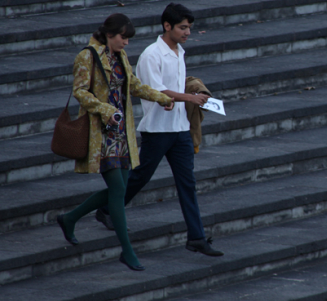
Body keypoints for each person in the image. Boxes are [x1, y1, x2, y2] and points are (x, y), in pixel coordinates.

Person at [95, 3, 223, 257]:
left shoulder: (179, 52)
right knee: (139, 177)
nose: (187, 32)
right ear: (167, 26)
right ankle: (107, 209)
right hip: (158, 130)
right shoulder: (151, 54)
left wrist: (192, 94)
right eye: (183, 27)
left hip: (180, 130)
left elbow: (174, 85)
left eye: (189, 28)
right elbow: (156, 91)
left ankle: (196, 237)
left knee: (188, 183)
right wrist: (189, 98)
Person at [56, 13, 174, 271]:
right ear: (109, 35)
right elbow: (79, 92)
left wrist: (161, 97)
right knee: (119, 191)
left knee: (118, 189)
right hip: (101, 133)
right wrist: (104, 109)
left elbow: (134, 86)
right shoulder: (87, 56)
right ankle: (127, 250)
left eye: (128, 38)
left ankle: (70, 218)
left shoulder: (120, 56)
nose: (126, 43)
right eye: (123, 37)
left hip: (120, 133)